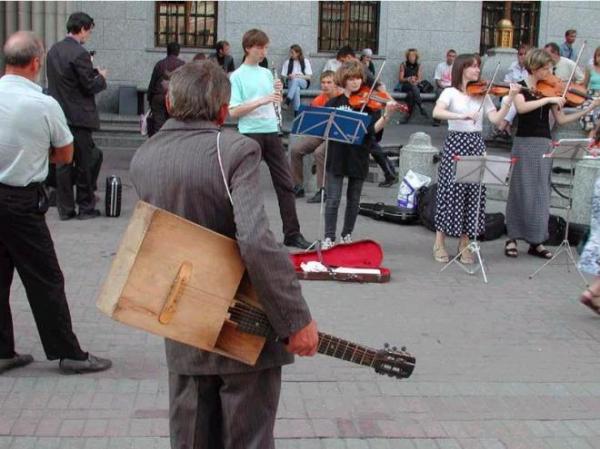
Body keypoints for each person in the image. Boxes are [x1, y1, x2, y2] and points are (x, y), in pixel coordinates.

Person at [129, 60, 318, 449]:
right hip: (244, 323)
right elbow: (256, 240)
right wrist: (294, 318)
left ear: (168, 99)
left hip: (181, 317)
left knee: (191, 436)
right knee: (247, 438)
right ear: (222, 109)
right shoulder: (236, 149)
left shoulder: (143, 157)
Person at [0, 31, 112, 375]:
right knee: (46, 279)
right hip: (21, 200)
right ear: (36, 63)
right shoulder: (43, 104)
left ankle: (3, 350)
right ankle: (68, 353)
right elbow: (65, 155)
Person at [504, 49, 600, 259]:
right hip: (524, 142)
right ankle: (512, 237)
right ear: (535, 68)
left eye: (550, 68)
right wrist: (547, 101)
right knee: (520, 189)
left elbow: (562, 120)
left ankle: (536, 240)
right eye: (546, 68)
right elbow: (521, 108)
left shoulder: (551, 91)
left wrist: (588, 108)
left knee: (541, 192)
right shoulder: (520, 85)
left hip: (544, 142)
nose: (549, 72)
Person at [431, 53, 520, 264]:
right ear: (462, 69)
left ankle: (465, 243)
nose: (477, 70)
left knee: (474, 194)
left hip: (476, 143)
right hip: (456, 142)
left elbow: (496, 120)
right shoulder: (450, 92)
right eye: (473, 67)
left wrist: (508, 102)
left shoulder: (483, 94)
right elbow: (437, 112)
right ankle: (439, 241)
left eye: (478, 67)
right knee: (450, 192)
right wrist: (460, 116)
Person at [229, 29, 311, 249]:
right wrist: (264, 99)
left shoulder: (266, 74)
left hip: (271, 131)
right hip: (249, 133)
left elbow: (274, 103)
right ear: (248, 48)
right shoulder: (236, 76)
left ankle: (292, 233)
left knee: (285, 183)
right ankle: (248, 234)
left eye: (266, 47)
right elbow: (234, 111)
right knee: (247, 187)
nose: (264, 51)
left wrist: (278, 94)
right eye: (260, 47)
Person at [322, 60, 400, 249]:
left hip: (359, 154)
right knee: (332, 199)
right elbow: (325, 127)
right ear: (344, 80)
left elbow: (372, 130)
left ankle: (347, 234)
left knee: (354, 199)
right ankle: (329, 237)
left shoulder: (370, 104)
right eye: (351, 79)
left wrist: (386, 115)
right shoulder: (334, 103)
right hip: (337, 154)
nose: (356, 82)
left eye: (358, 78)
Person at [46, 11, 107, 221]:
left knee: (63, 163)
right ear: (81, 29)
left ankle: (65, 208)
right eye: (88, 31)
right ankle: (86, 207)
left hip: (59, 115)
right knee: (84, 162)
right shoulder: (80, 53)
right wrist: (100, 76)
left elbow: (62, 82)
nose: (88, 35)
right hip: (79, 117)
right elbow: (89, 85)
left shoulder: (53, 51)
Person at [290, 70, 339, 203]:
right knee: (295, 150)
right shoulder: (318, 100)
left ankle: (323, 190)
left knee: (319, 153)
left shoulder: (342, 98)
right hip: (321, 134)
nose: (325, 85)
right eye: (323, 82)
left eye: (329, 82)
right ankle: (298, 186)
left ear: (336, 84)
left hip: (336, 137)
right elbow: (311, 123)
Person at [489, 43, 531, 141]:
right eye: (520, 54)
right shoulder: (513, 66)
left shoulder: (531, 68)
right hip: (513, 93)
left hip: (525, 96)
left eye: (525, 54)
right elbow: (507, 81)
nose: (522, 56)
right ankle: (506, 129)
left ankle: (501, 127)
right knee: (505, 99)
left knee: (513, 101)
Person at [146, 42, 186, 136]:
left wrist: (149, 98)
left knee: (158, 125)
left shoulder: (160, 64)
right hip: (175, 99)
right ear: (178, 52)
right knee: (173, 125)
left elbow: (153, 82)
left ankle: (157, 146)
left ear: (167, 51)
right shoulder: (183, 65)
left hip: (159, 97)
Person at [396, 48, 428, 122]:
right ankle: (421, 106)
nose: (411, 57)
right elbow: (400, 79)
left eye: (413, 56)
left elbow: (420, 78)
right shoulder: (403, 64)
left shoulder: (418, 65)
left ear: (416, 57)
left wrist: (415, 81)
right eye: (410, 56)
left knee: (411, 94)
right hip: (405, 85)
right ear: (407, 57)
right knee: (412, 87)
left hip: (414, 86)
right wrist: (408, 79)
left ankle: (407, 115)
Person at [281, 44, 312, 116]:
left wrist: (297, 76)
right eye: (290, 52)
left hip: (303, 83)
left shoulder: (305, 61)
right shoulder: (287, 62)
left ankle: (287, 101)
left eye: (292, 52)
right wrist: (289, 77)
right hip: (291, 83)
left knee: (296, 80)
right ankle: (297, 113)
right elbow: (283, 76)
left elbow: (309, 77)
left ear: (298, 53)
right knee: (296, 89)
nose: (290, 54)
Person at [432, 49, 456, 126]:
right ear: (446, 56)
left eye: (453, 56)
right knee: (439, 97)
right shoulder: (440, 66)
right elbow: (437, 80)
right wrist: (444, 88)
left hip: (452, 87)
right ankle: (437, 120)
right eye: (450, 56)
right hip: (442, 87)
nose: (451, 58)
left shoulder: (457, 67)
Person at [580, 46, 600, 134]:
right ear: (595, 57)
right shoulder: (590, 68)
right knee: (588, 110)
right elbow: (584, 86)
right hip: (591, 95)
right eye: (599, 56)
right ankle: (591, 137)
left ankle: (591, 137)